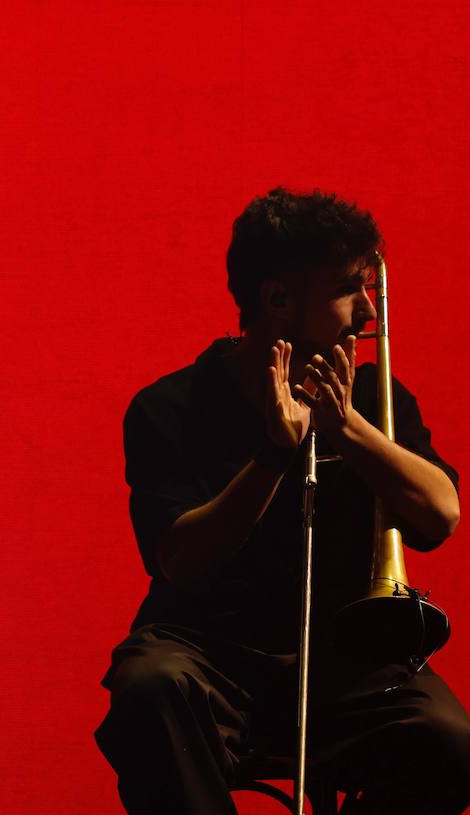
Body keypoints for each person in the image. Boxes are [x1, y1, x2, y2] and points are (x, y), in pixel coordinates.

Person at [95, 188, 470, 813]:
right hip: (207, 652)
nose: (367, 314)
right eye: (349, 289)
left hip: (349, 664)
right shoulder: (169, 407)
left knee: (452, 743)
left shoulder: (378, 397)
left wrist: (348, 429)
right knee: (148, 687)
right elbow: (179, 561)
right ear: (276, 299)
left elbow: (441, 515)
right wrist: (274, 455)